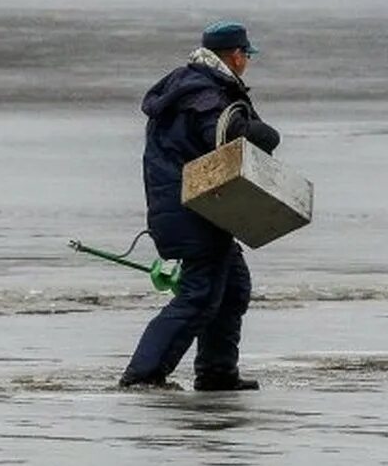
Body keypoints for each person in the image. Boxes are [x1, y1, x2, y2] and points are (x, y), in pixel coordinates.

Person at [119, 21, 280, 391]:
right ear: (236, 56)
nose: (247, 62)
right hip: (192, 209)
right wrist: (263, 134)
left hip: (195, 206)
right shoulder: (204, 93)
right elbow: (222, 136)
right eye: (246, 56)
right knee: (201, 293)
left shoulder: (192, 84)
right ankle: (142, 376)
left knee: (233, 287)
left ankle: (217, 374)